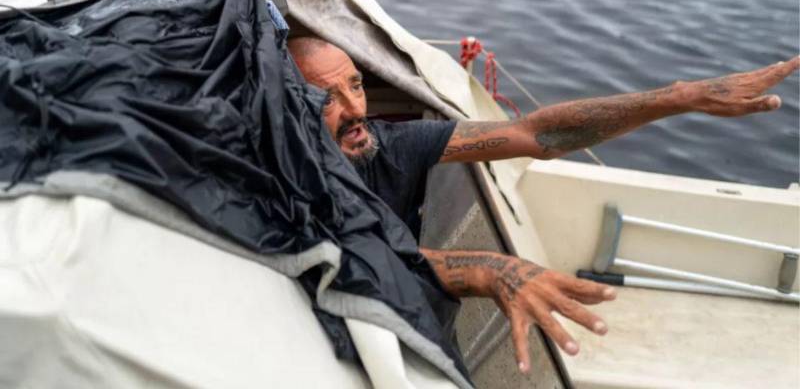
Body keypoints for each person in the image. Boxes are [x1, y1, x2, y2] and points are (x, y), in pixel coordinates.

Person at [288, 36, 798, 374]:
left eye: (355, 84)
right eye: (327, 97)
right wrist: (488, 269)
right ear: (289, 106)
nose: (356, 109)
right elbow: (344, 251)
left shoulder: (391, 144)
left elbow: (534, 134)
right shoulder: (280, 176)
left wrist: (678, 98)